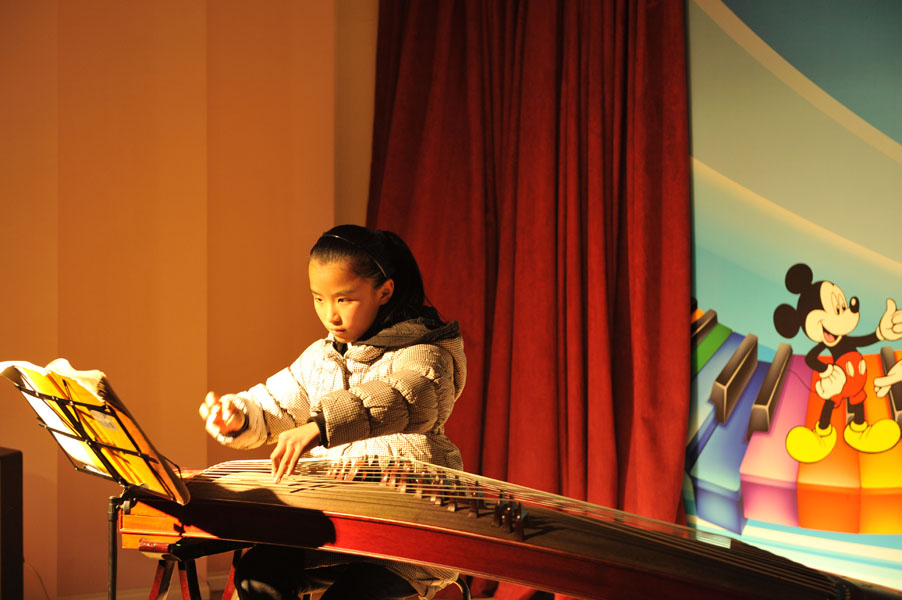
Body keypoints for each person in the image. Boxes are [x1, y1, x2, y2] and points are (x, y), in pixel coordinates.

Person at [198, 224, 466, 600]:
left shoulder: (425, 352)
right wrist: (240, 416)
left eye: (344, 299)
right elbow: (276, 404)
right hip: (340, 524)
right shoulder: (320, 358)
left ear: (384, 291)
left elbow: (408, 395)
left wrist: (321, 426)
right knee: (258, 574)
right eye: (318, 299)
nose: (330, 316)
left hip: (409, 531)